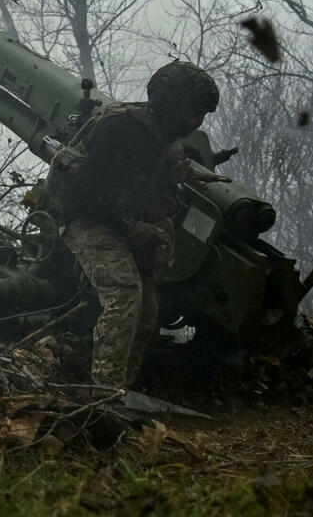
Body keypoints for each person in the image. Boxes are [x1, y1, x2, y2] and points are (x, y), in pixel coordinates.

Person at [46, 61, 223, 393]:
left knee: (147, 309)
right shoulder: (124, 130)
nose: (194, 120)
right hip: (86, 220)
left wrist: (182, 175)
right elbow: (85, 191)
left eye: (201, 113)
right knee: (125, 293)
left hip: (124, 224)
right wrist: (130, 228)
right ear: (167, 101)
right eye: (189, 110)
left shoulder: (164, 140)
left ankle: (122, 391)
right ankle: (103, 395)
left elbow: (144, 179)